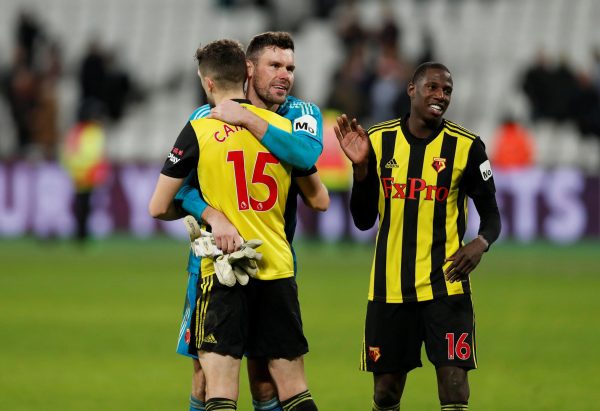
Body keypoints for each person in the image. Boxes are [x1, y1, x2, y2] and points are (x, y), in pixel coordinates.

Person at [149, 39, 320, 411]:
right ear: (248, 71)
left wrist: (247, 119)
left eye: (289, 68)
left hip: (234, 266)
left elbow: (160, 204)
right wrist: (214, 215)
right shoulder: (272, 126)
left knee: (238, 384)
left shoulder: (294, 115)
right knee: (215, 378)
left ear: (208, 81)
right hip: (260, 262)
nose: (284, 75)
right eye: (275, 66)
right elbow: (318, 194)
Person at [334, 62, 501, 411]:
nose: (441, 96)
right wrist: (361, 170)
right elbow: (363, 220)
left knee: (454, 385)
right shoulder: (378, 140)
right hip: (389, 288)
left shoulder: (467, 146)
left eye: (447, 90)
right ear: (412, 89)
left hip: (447, 287)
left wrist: (480, 243)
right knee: (386, 392)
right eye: (433, 87)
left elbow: (492, 215)